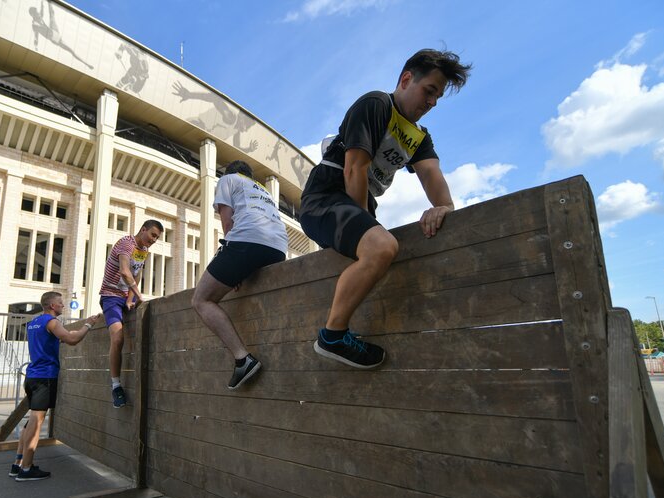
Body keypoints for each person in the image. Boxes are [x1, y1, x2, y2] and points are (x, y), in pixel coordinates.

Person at [299, 48, 472, 369]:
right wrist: (372, 236)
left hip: (359, 202)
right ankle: (332, 336)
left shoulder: (419, 137)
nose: (431, 103)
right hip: (326, 196)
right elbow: (354, 170)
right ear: (406, 79)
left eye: (437, 98)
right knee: (382, 247)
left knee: (385, 253)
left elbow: (431, 173)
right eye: (428, 91)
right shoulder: (377, 104)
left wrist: (445, 206)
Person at [192, 161, 288, 389]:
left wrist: (232, 268)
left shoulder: (228, 180)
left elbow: (228, 222)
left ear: (230, 172)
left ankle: (242, 358)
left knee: (201, 299)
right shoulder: (262, 191)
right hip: (277, 248)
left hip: (247, 241)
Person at [12, 291, 100, 481]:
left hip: (33, 377)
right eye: (60, 302)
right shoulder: (52, 322)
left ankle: (17, 463)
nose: (63, 305)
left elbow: (65, 336)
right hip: (46, 377)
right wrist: (89, 324)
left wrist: (80, 329)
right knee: (36, 422)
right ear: (52, 305)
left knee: (31, 421)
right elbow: (72, 339)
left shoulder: (34, 323)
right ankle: (26, 470)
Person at [99, 219, 164, 407]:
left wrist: (130, 299)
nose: (154, 240)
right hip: (110, 296)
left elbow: (137, 274)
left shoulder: (143, 251)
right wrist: (139, 296)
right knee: (118, 339)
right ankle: (116, 386)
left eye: (157, 238)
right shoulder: (126, 243)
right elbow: (125, 271)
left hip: (126, 296)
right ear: (143, 229)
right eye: (152, 235)